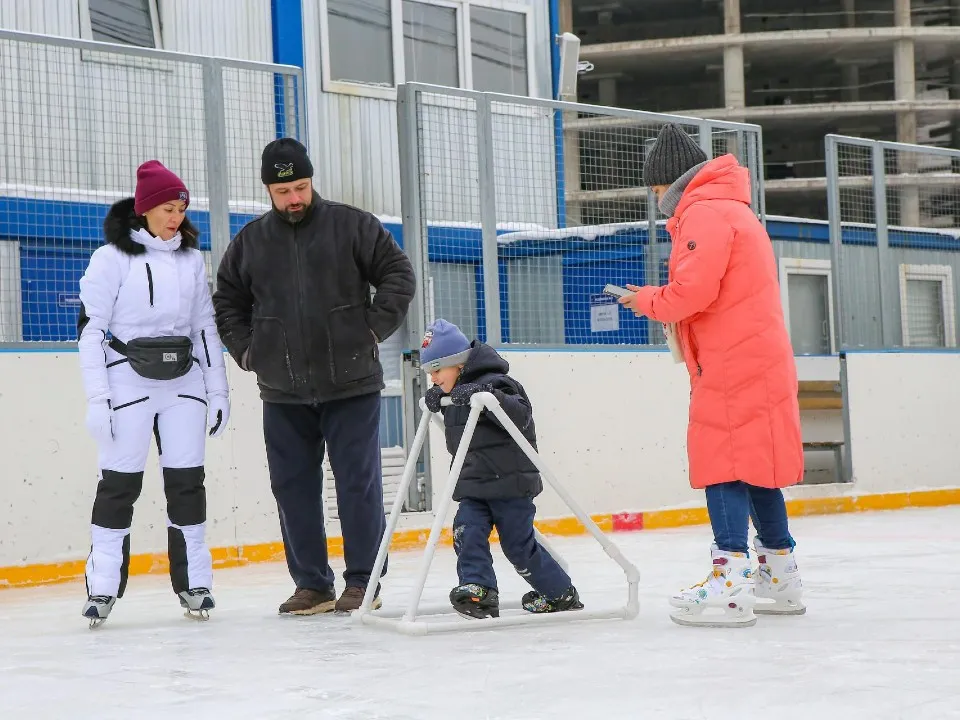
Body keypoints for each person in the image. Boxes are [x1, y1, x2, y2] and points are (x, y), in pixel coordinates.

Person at [213, 138, 416, 615]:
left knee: (357, 485)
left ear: (311, 181)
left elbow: (397, 275)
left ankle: (364, 580)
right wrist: (247, 352)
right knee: (292, 488)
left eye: (301, 187)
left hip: (351, 385)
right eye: (283, 191)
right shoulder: (250, 242)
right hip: (281, 392)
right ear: (268, 190)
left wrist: (368, 328)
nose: (294, 198)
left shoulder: (353, 226)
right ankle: (312, 583)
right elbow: (227, 302)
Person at [619, 124, 805, 627]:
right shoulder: (733, 210)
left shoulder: (703, 212)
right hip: (756, 356)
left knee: (722, 463)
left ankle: (728, 581)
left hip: (732, 361)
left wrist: (645, 301)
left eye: (656, 189)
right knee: (757, 466)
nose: (657, 201)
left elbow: (691, 294)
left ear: (671, 183)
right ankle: (779, 575)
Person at [78, 160, 230, 627]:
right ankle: (102, 587)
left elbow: (205, 327)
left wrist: (218, 389)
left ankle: (195, 583)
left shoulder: (189, 259)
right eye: (167, 207)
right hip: (127, 383)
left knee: (187, 483)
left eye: (181, 207)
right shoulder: (111, 259)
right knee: (119, 486)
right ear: (144, 210)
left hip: (183, 385)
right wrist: (98, 397)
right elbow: (91, 331)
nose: (175, 216)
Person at [420, 319, 583, 619]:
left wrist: (488, 396)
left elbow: (520, 415)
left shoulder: (497, 384)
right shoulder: (455, 394)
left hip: (511, 485)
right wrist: (440, 402)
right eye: (430, 374)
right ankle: (479, 590)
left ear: (456, 363)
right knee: (465, 532)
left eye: (437, 371)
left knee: (518, 547)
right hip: (474, 485)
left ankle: (561, 593)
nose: (434, 379)